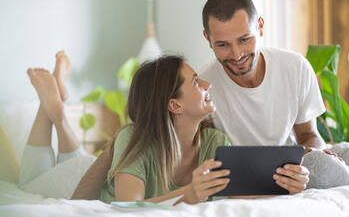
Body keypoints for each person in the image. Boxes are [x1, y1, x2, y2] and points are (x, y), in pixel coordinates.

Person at [20, 52, 310, 203]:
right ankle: (53, 113)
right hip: (71, 180)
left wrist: (287, 187)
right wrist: (189, 194)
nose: (207, 84)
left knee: (75, 153)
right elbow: (128, 208)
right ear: (175, 105)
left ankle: (56, 111)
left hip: (93, 164)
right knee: (28, 183)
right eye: (196, 82)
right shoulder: (135, 139)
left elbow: (236, 192)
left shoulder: (214, 141)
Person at [199, 0, 349, 188]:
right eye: (223, 45)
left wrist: (309, 153)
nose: (237, 55)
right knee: (323, 167)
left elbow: (308, 135)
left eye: (245, 39)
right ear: (208, 39)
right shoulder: (201, 89)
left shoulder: (294, 66)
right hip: (276, 176)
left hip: (299, 160)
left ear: (260, 27)